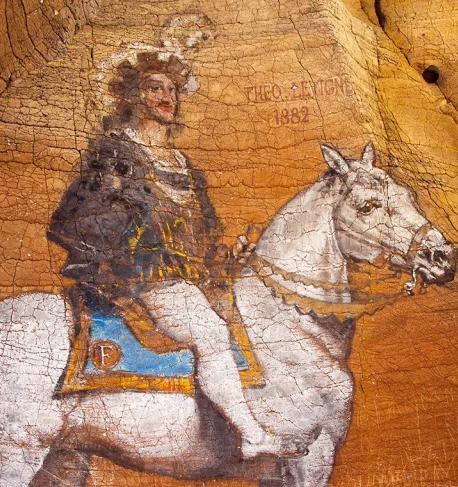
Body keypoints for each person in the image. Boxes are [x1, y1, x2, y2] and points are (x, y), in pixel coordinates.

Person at [48, 48, 289, 459]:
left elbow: (201, 240)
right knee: (211, 334)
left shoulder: (183, 164)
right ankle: (251, 434)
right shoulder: (115, 154)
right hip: (143, 280)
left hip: (189, 279)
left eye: (172, 90)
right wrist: (128, 254)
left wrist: (232, 255)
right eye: (154, 88)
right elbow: (77, 218)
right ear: (131, 96)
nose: (166, 97)